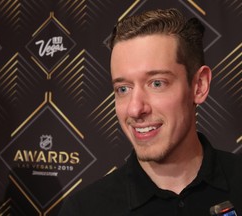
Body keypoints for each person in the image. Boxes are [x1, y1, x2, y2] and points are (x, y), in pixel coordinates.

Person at [58, 8, 242, 215]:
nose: (135, 109)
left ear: (199, 86)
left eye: (156, 83)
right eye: (123, 89)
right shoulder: (84, 210)